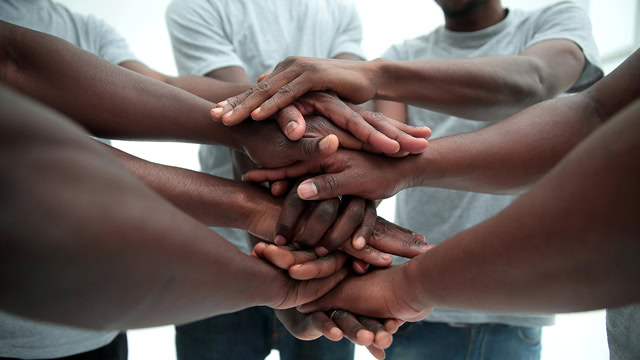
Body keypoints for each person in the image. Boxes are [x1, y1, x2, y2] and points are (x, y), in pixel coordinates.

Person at [0, 9, 428, 360]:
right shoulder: (200, 8)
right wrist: (264, 208)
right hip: (207, 260)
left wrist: (261, 116)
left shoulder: (81, 26)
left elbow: (25, 67)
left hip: (100, 324)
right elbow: (30, 162)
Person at [216, 0, 603, 358]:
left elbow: (533, 79)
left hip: (508, 304)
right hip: (405, 298)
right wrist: (334, 231)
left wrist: (372, 75)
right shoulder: (403, 55)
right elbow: (372, 156)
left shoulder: (554, 20)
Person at [165, 1, 407, 358]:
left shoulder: (338, 11)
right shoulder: (198, 7)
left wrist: (355, 200)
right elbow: (247, 114)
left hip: (323, 244)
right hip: (219, 254)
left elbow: (349, 98)